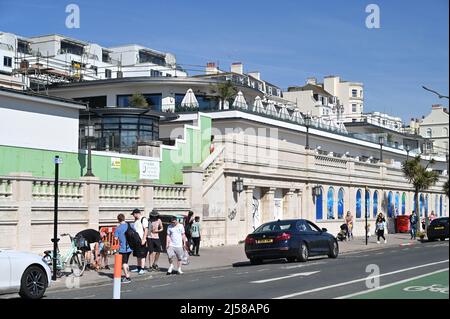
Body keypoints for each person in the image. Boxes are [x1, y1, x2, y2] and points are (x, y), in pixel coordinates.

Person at [114, 213, 133, 283]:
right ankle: (128, 274)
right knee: (126, 262)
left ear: (118, 220)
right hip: (130, 247)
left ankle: (127, 277)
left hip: (123, 248)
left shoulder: (118, 228)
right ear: (124, 218)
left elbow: (115, 238)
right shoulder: (129, 225)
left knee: (124, 263)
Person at [130, 208, 148, 275]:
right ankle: (138, 267)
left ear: (136, 213)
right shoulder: (136, 220)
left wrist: (144, 239)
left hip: (141, 239)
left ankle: (142, 269)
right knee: (138, 255)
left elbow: (146, 229)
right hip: (136, 240)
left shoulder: (143, 219)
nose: (133, 216)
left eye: (133, 214)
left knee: (142, 255)